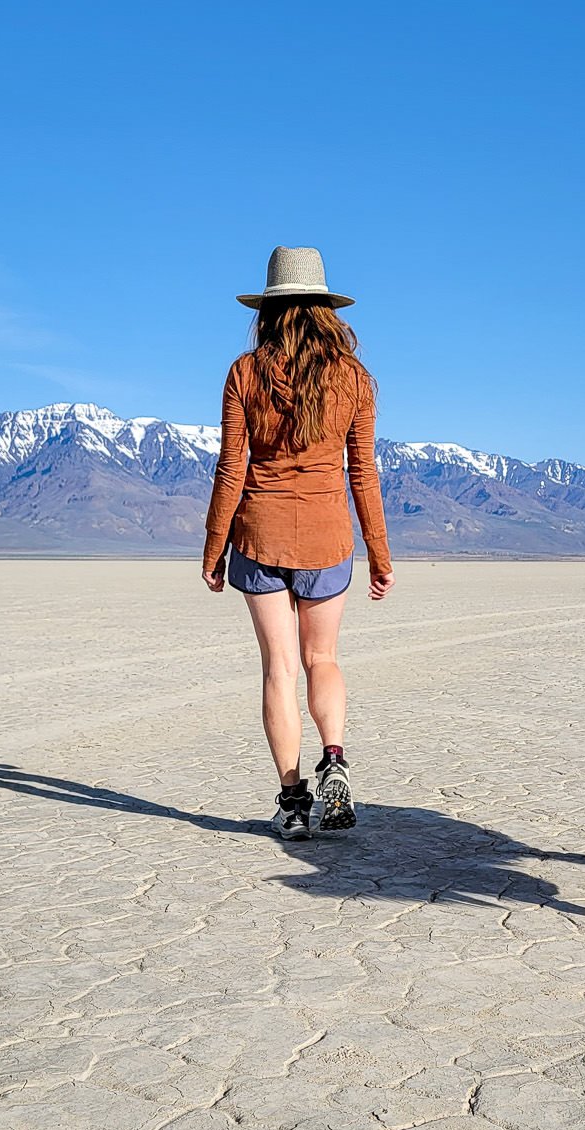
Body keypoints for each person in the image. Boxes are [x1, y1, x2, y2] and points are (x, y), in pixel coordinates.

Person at [203, 246, 394, 839]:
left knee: (279, 669)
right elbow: (363, 471)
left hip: (257, 536)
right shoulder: (355, 379)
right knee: (323, 660)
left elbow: (230, 469)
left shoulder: (246, 372)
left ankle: (292, 802)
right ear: (324, 309)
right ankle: (334, 759)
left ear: (269, 309)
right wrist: (380, 556)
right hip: (328, 536)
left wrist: (213, 548)